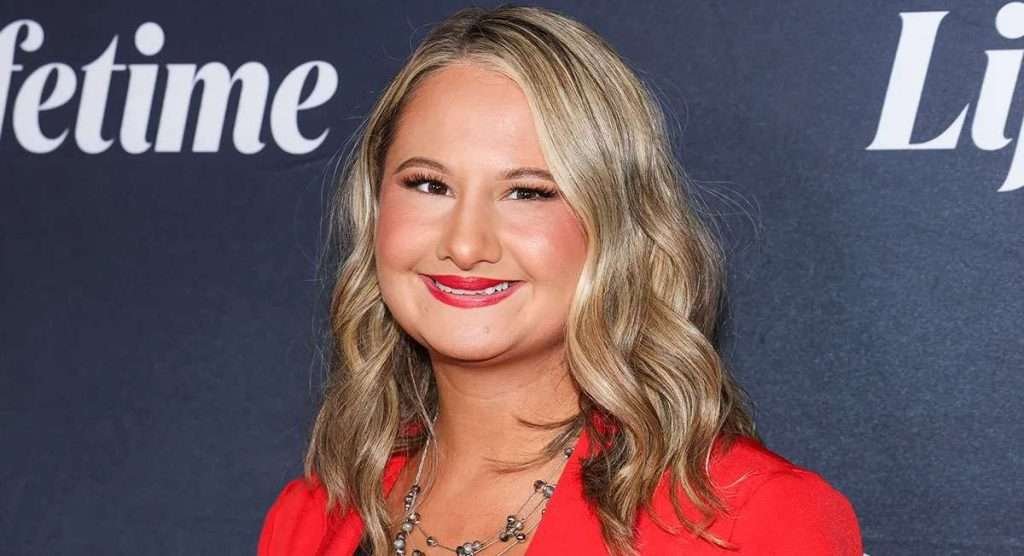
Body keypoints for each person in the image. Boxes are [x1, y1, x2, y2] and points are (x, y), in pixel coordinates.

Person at [257, 5, 863, 555]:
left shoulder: (753, 520)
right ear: (375, 210)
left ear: (615, 226)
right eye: (429, 185)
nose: (465, 244)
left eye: (528, 192)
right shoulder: (308, 521)